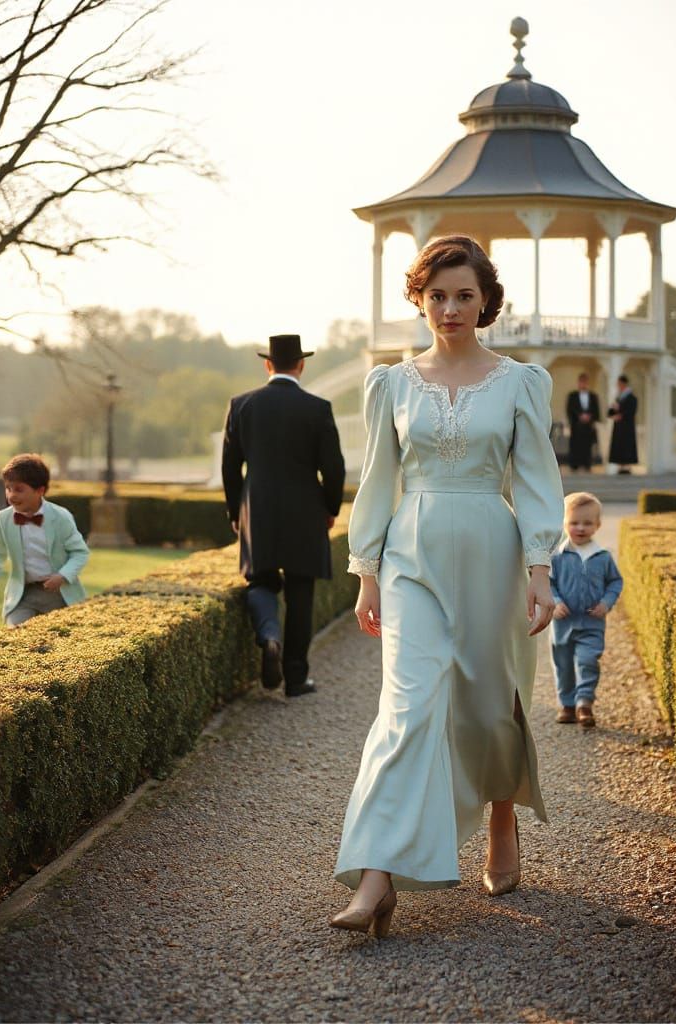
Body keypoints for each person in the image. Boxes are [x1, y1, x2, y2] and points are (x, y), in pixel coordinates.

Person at [331, 235, 564, 938]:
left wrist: (540, 568)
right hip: (411, 559)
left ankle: (501, 816)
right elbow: (376, 484)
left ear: (486, 300)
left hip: (492, 552)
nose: (451, 307)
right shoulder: (391, 384)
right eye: (438, 295)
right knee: (406, 710)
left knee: (491, 707)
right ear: (420, 299)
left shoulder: (521, 381)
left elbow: (534, 481)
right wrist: (366, 573)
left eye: (465, 295)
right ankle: (376, 876)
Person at [221, 334, 346, 697]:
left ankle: (268, 635)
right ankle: (295, 678)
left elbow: (230, 468)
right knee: (301, 594)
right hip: (306, 513)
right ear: (301, 365)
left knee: (259, 581)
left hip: (257, 512)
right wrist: (330, 508)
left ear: (267, 364)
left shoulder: (242, 405)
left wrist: (235, 512)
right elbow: (334, 469)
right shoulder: (318, 408)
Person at [0, 454, 89, 626]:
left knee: (60, 641)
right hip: (23, 595)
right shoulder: (4, 518)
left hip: (60, 594)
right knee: (15, 636)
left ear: (40, 491)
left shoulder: (61, 517)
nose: (11, 495)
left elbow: (80, 553)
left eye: (19, 489)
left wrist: (62, 576)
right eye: (8, 488)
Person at [550, 492, 623, 729]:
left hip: (592, 622)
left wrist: (606, 603)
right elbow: (548, 583)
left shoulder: (602, 557)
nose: (580, 528)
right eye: (574, 522)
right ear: (565, 523)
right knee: (563, 665)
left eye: (587, 523)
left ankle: (584, 704)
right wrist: (555, 601)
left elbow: (615, 582)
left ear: (598, 525)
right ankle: (567, 704)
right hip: (563, 624)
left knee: (588, 660)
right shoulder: (557, 557)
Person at [565, 372, 600, 471]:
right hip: (576, 425)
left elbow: (596, 410)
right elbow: (569, 409)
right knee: (575, 445)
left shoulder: (593, 396)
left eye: (585, 382)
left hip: (588, 426)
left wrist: (590, 417)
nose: (583, 384)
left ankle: (587, 464)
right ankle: (574, 465)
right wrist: (579, 416)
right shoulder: (572, 395)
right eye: (581, 382)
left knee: (587, 445)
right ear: (578, 383)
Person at [607, 374, 638, 473]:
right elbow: (611, 411)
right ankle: (620, 465)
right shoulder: (619, 397)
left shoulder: (631, 397)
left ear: (623, 384)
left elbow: (631, 411)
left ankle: (627, 466)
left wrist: (620, 412)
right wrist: (613, 412)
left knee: (627, 445)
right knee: (619, 446)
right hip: (619, 426)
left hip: (627, 426)